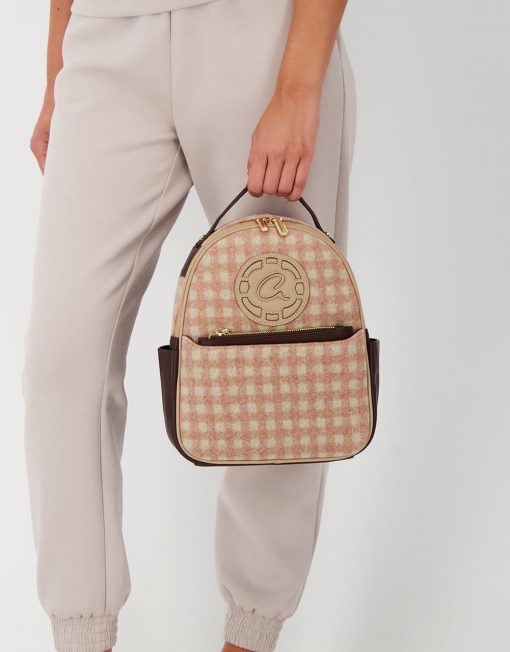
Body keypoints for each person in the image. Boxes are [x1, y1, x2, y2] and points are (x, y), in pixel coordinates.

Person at [23, 0, 356, 650]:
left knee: (282, 359)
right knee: (60, 361)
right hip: (104, 39)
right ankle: (81, 635)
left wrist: (298, 85)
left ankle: (250, 634)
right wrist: (56, 66)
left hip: (258, 34)